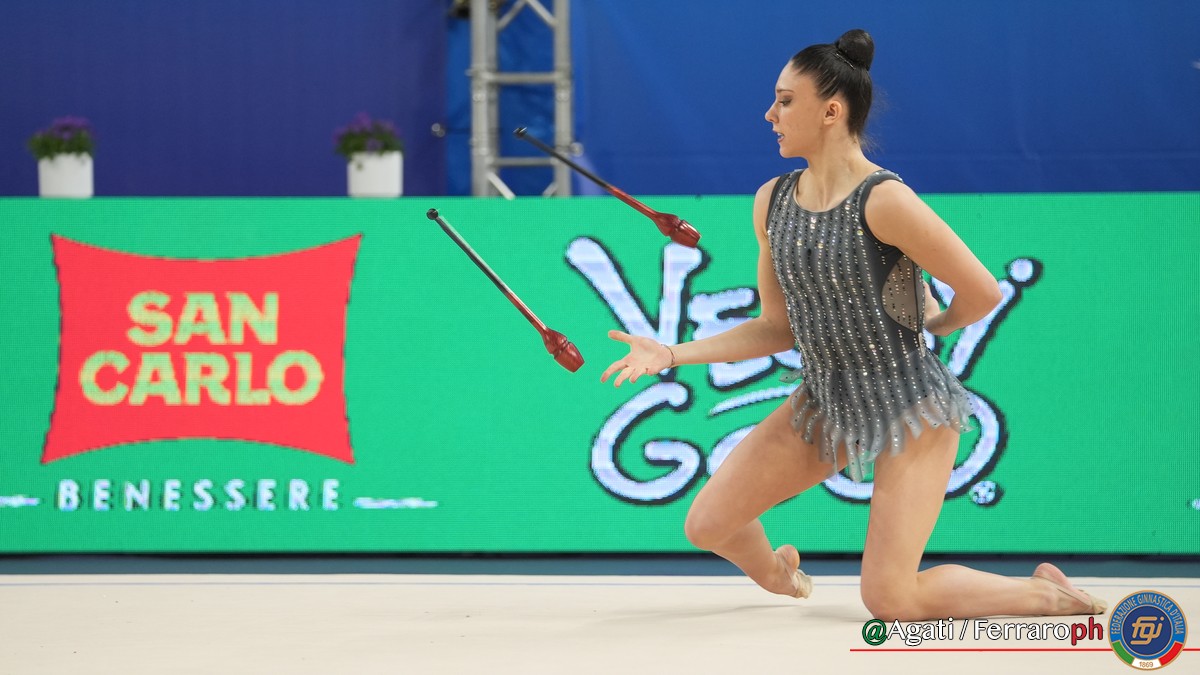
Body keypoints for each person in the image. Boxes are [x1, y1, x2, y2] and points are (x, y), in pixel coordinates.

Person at [601, 29, 1105, 621]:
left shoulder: (885, 200)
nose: (770, 114)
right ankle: (780, 572)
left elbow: (983, 291)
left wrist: (939, 323)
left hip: (911, 406)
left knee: (891, 599)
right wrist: (670, 353)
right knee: (708, 524)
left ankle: (1046, 593)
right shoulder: (772, 202)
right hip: (824, 402)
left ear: (831, 111)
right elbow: (776, 328)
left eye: (785, 101)